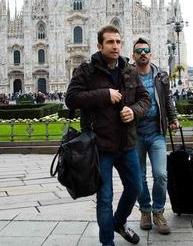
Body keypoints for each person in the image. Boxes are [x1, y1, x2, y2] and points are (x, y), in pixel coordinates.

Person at [65, 25, 150, 246]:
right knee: (104, 198)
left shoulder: (129, 70)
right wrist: (104, 94)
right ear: (100, 45)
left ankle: (119, 222)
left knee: (135, 188)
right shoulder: (86, 70)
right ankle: (107, 242)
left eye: (118, 42)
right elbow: (71, 99)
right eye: (110, 42)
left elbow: (144, 99)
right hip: (99, 146)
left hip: (126, 143)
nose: (115, 46)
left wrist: (134, 111)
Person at [132, 38, 179, 235]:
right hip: (134, 134)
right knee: (139, 176)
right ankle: (145, 210)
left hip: (156, 132)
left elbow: (166, 99)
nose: (143, 53)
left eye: (146, 50)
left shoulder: (160, 76)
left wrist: (173, 118)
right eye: (139, 51)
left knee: (161, 174)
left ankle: (158, 211)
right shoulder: (127, 77)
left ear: (151, 54)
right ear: (134, 55)